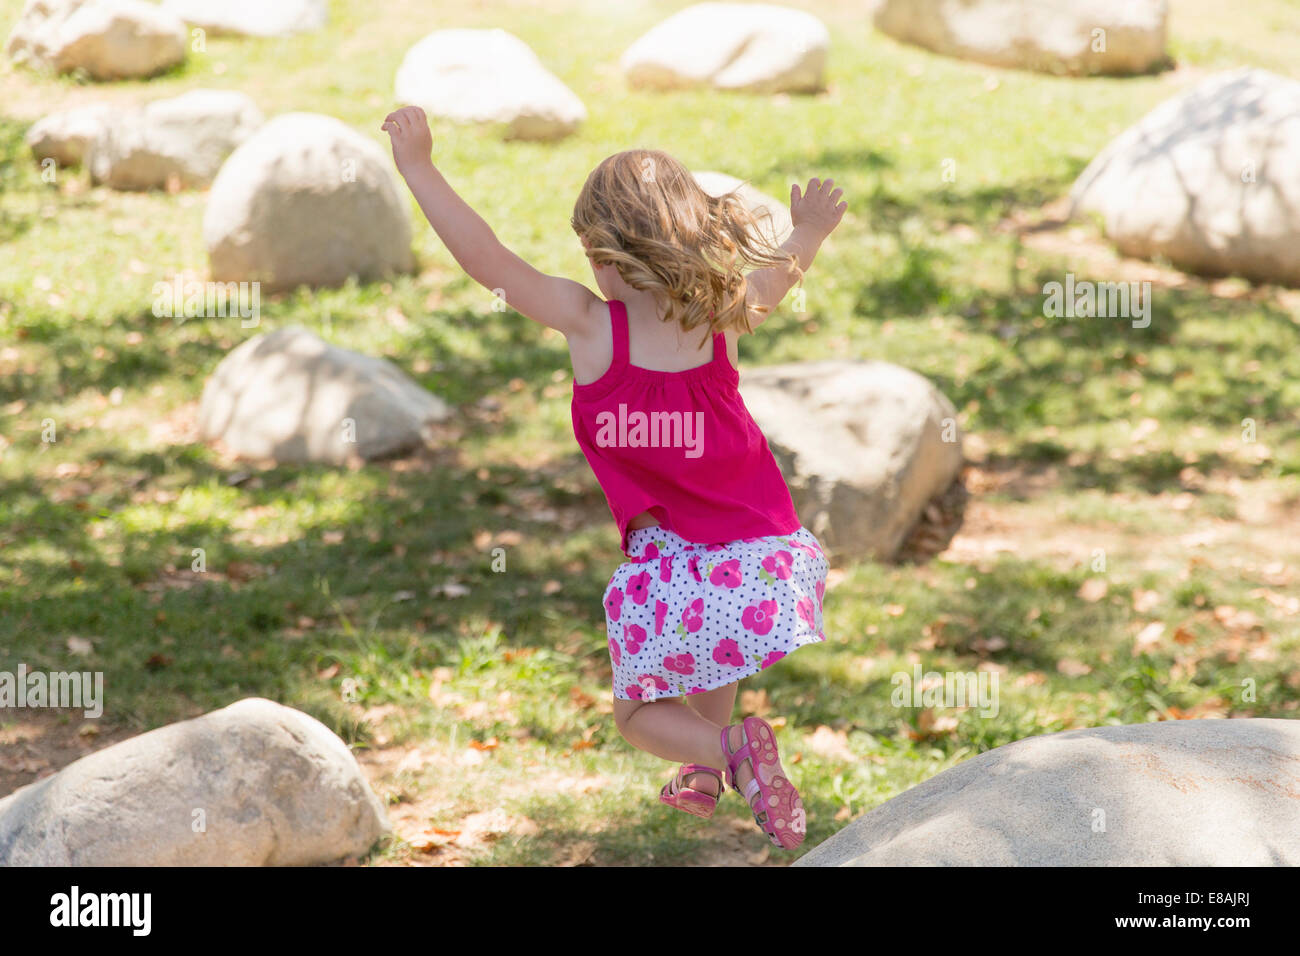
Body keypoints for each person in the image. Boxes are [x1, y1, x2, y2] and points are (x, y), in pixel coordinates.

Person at [384, 106, 846, 850]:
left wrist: (419, 169)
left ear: (600, 253)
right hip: (766, 566)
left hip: (674, 575)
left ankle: (724, 751)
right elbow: (777, 279)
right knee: (714, 645)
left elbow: (491, 263)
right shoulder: (719, 317)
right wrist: (811, 232)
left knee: (637, 716)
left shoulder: (591, 325)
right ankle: (706, 771)